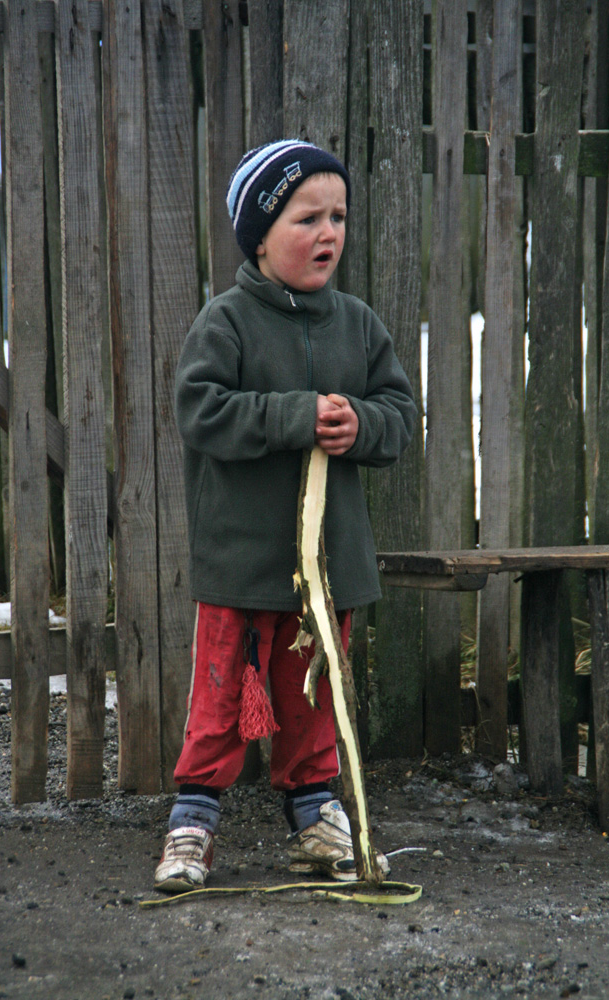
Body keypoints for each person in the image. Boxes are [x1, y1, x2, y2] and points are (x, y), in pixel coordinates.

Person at [154, 140, 417, 893]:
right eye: (307, 218)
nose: (328, 232)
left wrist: (359, 427)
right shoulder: (227, 321)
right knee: (221, 697)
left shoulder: (357, 325)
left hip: (322, 567)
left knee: (312, 696)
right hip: (241, 560)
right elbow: (201, 412)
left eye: (338, 216)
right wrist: (296, 415)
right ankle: (193, 821)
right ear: (260, 235)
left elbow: (400, 413)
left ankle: (314, 818)